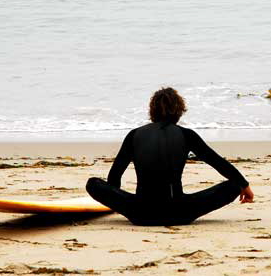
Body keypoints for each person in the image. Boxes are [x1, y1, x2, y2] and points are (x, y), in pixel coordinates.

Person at [86, 87, 254, 226]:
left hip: (140, 214)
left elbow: (115, 175)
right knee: (233, 186)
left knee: (93, 183)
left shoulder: (134, 135)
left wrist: (115, 199)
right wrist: (243, 185)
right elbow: (217, 162)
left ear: (152, 111)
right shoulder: (187, 135)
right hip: (180, 213)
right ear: (179, 110)